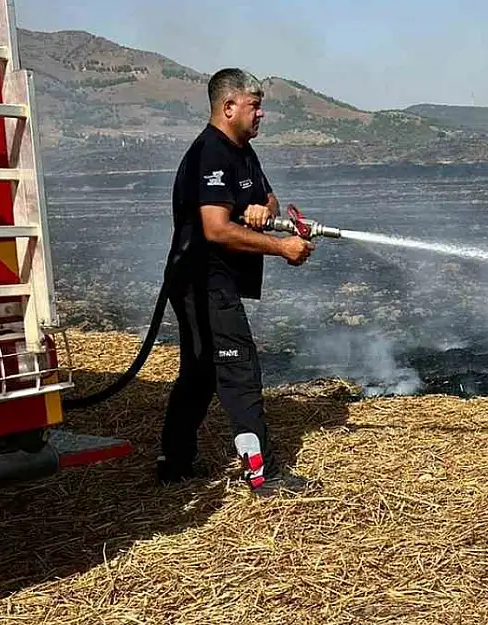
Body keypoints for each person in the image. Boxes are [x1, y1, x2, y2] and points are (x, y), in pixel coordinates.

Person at [158, 67, 317, 497]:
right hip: (200, 282)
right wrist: (281, 248)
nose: (262, 113)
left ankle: (173, 460)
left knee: (201, 370)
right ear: (228, 107)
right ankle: (263, 476)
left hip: (215, 281)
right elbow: (215, 229)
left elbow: (268, 198)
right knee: (239, 370)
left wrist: (263, 210)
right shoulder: (210, 153)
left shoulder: (243, 151)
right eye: (255, 105)